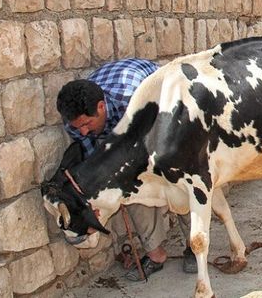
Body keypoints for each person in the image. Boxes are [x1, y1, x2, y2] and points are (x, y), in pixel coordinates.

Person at [56, 58, 197, 281]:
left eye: (87, 125)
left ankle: (194, 247)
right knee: (130, 187)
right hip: (131, 128)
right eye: (77, 127)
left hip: (167, 111)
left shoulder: (134, 101)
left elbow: (162, 139)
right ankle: (155, 254)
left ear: (101, 108)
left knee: (179, 180)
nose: (82, 132)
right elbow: (99, 160)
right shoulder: (74, 124)